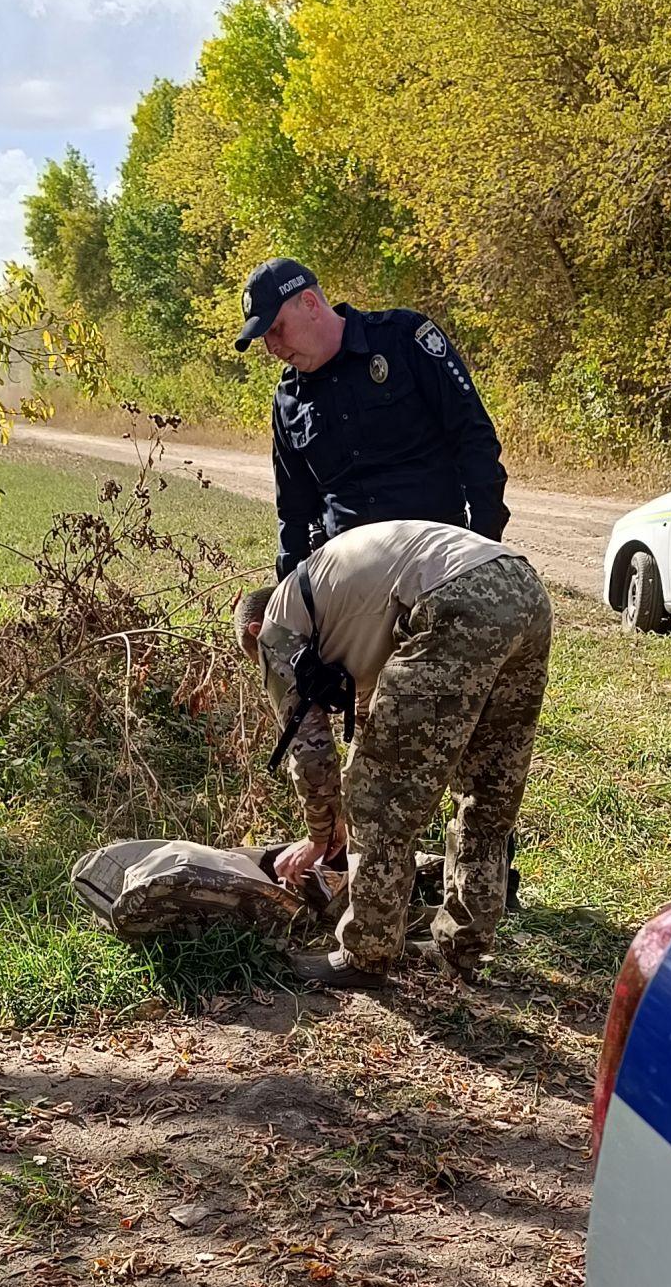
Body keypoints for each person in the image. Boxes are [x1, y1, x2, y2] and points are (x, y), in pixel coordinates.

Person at [235, 518, 551, 988]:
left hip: (452, 598)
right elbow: (375, 722)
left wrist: (319, 837)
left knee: (377, 798)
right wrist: (342, 814)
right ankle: (463, 946)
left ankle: (365, 954)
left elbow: (311, 749)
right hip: (524, 589)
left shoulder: (277, 628)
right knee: (488, 788)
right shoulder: (344, 603)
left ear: (254, 629)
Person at [234, 259, 509, 581]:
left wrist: (481, 544)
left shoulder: (403, 339)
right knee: (260, 611)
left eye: (276, 329)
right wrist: (292, 589)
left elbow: (474, 439)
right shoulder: (288, 398)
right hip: (347, 575)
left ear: (309, 303)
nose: (271, 347)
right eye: (264, 338)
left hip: (434, 556)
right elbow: (293, 510)